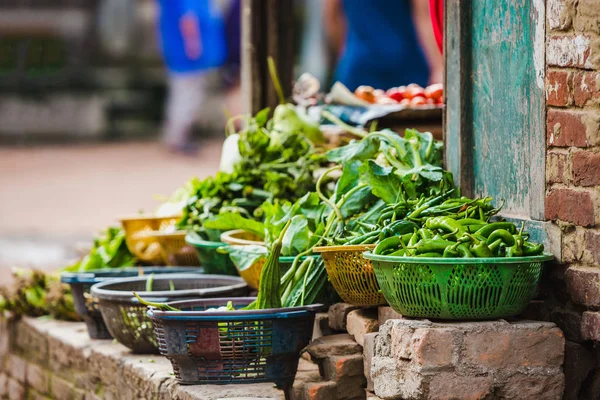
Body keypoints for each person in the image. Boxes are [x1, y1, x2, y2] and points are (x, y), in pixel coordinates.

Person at [156, 0, 227, 154]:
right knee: (187, 95)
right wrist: (193, 44)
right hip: (187, 55)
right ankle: (178, 138)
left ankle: (178, 137)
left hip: (181, 51)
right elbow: (188, 18)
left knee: (185, 94)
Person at [323, 0, 443, 91]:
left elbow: (332, 19)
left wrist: (345, 56)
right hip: (407, 67)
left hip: (357, 66)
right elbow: (424, 15)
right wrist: (438, 67)